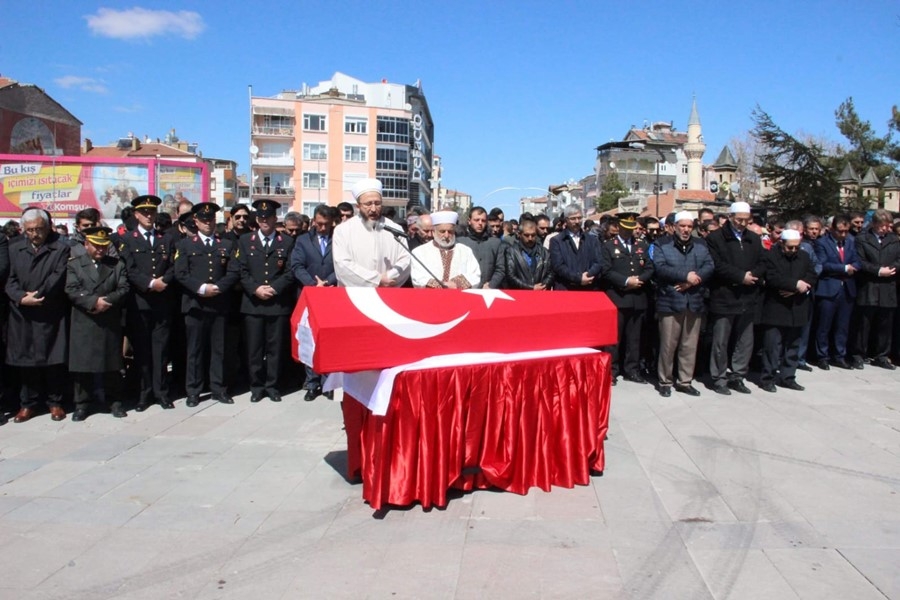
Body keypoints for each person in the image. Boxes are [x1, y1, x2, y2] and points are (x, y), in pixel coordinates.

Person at [6, 208, 70, 422]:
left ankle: (55, 402)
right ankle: (28, 404)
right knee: (26, 362)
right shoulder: (14, 248)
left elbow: (57, 276)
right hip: (22, 313)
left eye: (39, 229)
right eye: (31, 230)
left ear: (47, 227)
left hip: (48, 311)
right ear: (24, 229)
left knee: (52, 360)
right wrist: (21, 297)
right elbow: (9, 279)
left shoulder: (60, 247)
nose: (35, 234)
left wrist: (38, 296)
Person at [174, 202, 240, 406]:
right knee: (195, 350)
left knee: (219, 349)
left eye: (210, 219)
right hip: (195, 305)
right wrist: (202, 288)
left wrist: (218, 287)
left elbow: (233, 271)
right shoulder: (185, 245)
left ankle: (218, 388)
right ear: (195, 221)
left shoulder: (226, 244)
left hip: (219, 304)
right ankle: (193, 390)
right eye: (203, 220)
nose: (207, 223)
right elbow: (181, 273)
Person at [232, 200, 296, 403]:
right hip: (254, 303)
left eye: (268, 217)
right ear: (256, 220)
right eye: (261, 218)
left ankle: (272, 385)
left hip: (277, 304)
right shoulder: (245, 241)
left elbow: (290, 271)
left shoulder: (286, 241)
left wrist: (275, 288)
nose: (264, 221)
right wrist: (255, 288)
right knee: (254, 349)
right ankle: (256, 387)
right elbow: (241, 270)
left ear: (275, 218)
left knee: (275, 349)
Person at [65, 226, 130, 421]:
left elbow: (124, 287)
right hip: (85, 319)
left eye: (103, 246)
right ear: (86, 244)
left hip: (108, 319)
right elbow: (71, 289)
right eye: (96, 246)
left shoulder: (116, 264)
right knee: (82, 365)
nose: (100, 250)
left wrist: (107, 301)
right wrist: (93, 302)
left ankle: (114, 401)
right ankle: (82, 404)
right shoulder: (75, 265)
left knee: (112, 364)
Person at [119, 195, 177, 411]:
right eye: (144, 212)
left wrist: (164, 281)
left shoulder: (166, 238)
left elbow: (174, 265)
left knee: (161, 351)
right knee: (142, 352)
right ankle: (144, 394)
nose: (148, 216)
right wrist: (151, 283)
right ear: (136, 214)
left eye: (151, 212)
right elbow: (129, 269)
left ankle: (161, 393)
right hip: (140, 302)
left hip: (162, 302)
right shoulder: (128, 239)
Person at [706, 201, 765, 395]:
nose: (741, 223)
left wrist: (753, 276)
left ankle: (738, 375)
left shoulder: (754, 239)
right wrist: (741, 277)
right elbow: (717, 264)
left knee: (745, 340)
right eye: (738, 219)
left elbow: (763, 262)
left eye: (745, 220)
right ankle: (719, 378)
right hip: (725, 296)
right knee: (721, 340)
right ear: (730, 217)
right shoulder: (716, 238)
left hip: (748, 297)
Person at [652, 211, 714, 397]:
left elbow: (709, 265)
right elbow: (660, 268)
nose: (686, 230)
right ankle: (665, 381)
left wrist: (693, 281)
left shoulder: (701, 245)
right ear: (675, 226)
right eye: (682, 226)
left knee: (689, 345)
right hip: (670, 301)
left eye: (689, 226)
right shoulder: (662, 244)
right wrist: (684, 276)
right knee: (668, 345)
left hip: (693, 300)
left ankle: (685, 381)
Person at [758, 229, 818, 392]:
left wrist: (799, 287)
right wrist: (794, 285)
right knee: (772, 346)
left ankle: (788, 376)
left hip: (797, 306)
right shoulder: (770, 256)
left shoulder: (804, 257)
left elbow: (812, 275)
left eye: (796, 248)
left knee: (793, 345)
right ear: (781, 244)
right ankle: (767, 378)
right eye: (789, 248)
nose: (793, 251)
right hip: (776, 307)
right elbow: (772, 277)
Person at [290, 204, 338, 401]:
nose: (323, 228)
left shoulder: (339, 239)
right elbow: (296, 265)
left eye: (326, 224)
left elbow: (343, 263)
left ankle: (329, 382)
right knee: (310, 338)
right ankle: (312, 383)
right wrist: (313, 284)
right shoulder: (303, 240)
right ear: (313, 221)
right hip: (309, 295)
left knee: (329, 340)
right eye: (319, 224)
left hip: (332, 294)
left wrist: (328, 282)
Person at [600, 213, 655, 384]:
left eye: (632, 229)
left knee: (634, 338)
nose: (629, 232)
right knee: (614, 339)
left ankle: (632, 370)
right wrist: (625, 281)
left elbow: (650, 267)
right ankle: (612, 371)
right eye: (625, 228)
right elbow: (606, 271)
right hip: (618, 296)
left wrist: (640, 280)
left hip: (637, 296)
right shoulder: (609, 246)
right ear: (619, 227)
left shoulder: (641, 245)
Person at [332, 179, 410, 287]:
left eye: (377, 203)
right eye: (368, 204)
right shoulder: (343, 230)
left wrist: (389, 277)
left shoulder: (395, 229)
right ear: (358, 206)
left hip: (387, 293)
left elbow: (405, 260)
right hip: (354, 295)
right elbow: (342, 265)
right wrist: (377, 280)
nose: (373, 209)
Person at [852, 209, 900, 370]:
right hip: (869, 286)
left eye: (888, 226)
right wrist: (878, 270)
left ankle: (882, 355)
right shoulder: (862, 239)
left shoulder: (894, 240)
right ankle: (859, 354)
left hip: (888, 287)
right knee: (864, 324)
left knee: (885, 324)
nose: (885, 229)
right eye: (882, 226)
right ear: (874, 224)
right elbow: (860, 260)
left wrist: (892, 269)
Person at [813, 214, 860, 369]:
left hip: (846, 289)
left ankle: (839, 355)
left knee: (843, 325)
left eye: (846, 231)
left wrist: (854, 267)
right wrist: (844, 268)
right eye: (840, 231)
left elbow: (857, 260)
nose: (843, 234)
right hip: (828, 289)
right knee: (824, 325)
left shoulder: (850, 243)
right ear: (832, 229)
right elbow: (823, 264)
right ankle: (822, 356)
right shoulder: (822, 243)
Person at [411, 211, 480, 289]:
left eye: (450, 231)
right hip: (431, 298)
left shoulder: (465, 251)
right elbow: (417, 278)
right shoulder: (419, 252)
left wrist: (455, 283)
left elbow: (475, 275)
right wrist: (441, 285)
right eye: (442, 231)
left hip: (459, 298)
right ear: (433, 232)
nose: (446, 235)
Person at [549, 205, 602, 291]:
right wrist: (578, 278)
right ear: (566, 220)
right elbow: (558, 266)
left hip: (588, 288)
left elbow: (598, 262)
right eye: (573, 219)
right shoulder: (557, 241)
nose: (577, 221)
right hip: (566, 289)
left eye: (579, 218)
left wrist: (587, 276)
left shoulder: (592, 240)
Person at [457, 206, 505, 288]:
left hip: (487, 293)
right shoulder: (460, 242)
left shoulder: (495, 243)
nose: (480, 223)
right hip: (466, 291)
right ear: (469, 221)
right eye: (476, 220)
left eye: (483, 220)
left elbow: (500, 269)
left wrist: (491, 284)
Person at [501, 218, 554, 290]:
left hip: (541, 294)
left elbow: (550, 273)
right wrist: (531, 288)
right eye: (526, 235)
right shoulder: (511, 252)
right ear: (519, 234)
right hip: (521, 295)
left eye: (533, 235)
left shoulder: (544, 252)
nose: (530, 238)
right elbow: (511, 276)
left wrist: (543, 285)